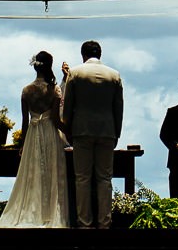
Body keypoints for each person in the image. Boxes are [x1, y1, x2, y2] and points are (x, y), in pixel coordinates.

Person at [0, 52, 70, 228]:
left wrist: (21, 145)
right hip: (51, 133)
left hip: (33, 133)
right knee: (53, 172)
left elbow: (24, 121)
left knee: (32, 172)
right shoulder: (54, 90)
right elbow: (56, 119)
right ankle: (50, 214)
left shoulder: (26, 90)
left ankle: (33, 211)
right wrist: (70, 131)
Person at [60, 40, 124, 229]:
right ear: (100, 54)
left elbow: (69, 104)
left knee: (82, 178)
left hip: (82, 130)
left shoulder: (76, 73)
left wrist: (69, 130)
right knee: (105, 178)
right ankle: (105, 222)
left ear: (83, 55)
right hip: (107, 131)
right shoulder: (114, 75)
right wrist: (116, 132)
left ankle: (84, 223)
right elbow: (118, 107)